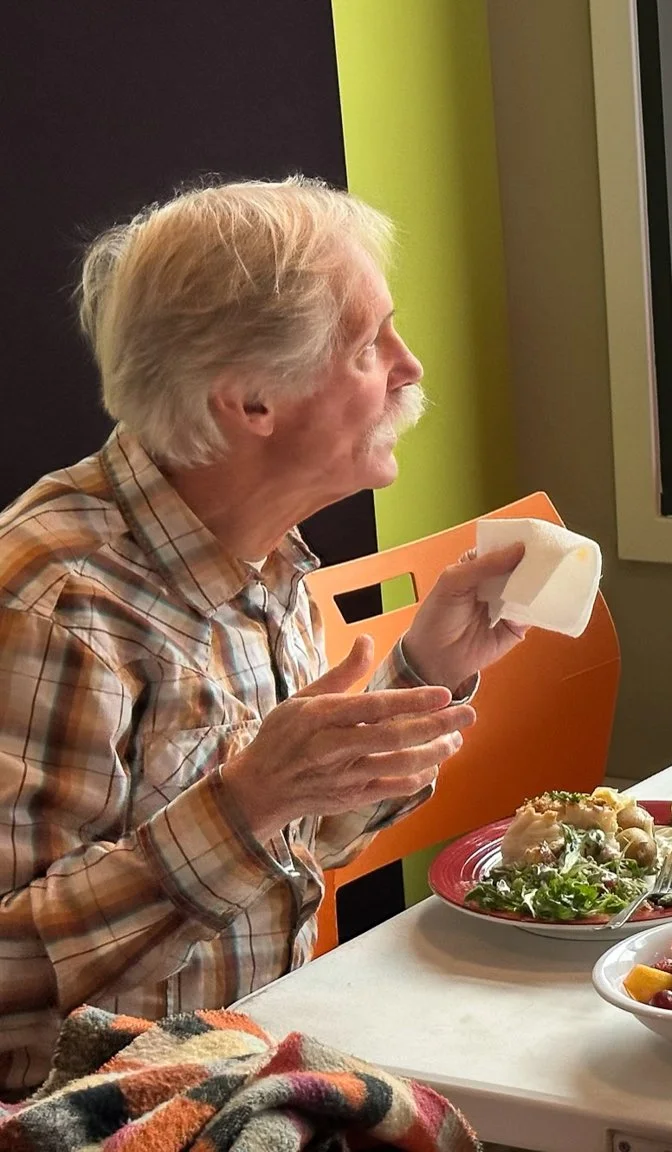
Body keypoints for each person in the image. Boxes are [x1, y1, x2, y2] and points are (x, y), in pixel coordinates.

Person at [0, 177, 533, 1097]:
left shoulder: (266, 559)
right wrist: (243, 803)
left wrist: (429, 673)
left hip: (253, 1075)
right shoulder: (55, 607)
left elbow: (298, 842)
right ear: (250, 400)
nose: (410, 368)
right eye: (370, 343)